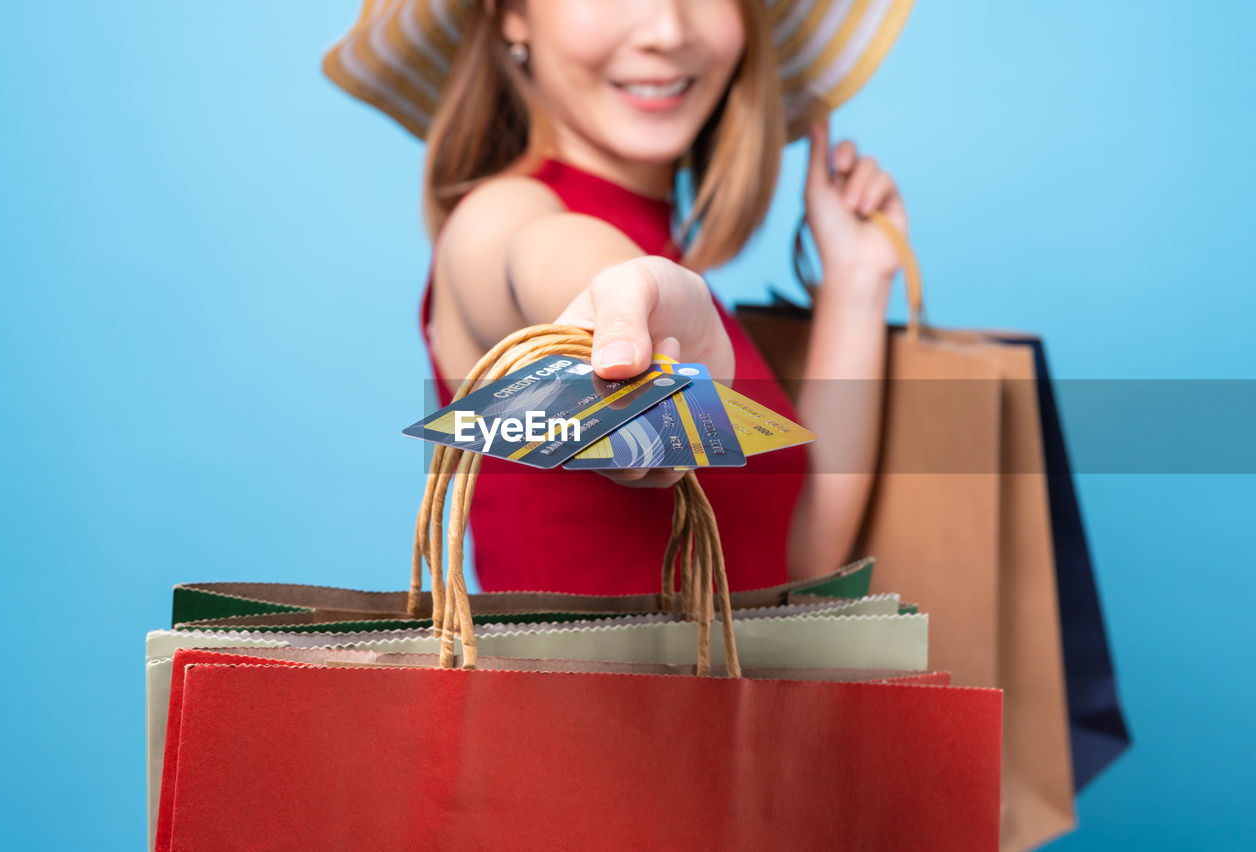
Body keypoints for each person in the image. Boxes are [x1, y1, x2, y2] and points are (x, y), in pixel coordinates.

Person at [324, 0, 913, 592]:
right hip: (567, 688)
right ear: (511, 14)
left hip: (744, 681)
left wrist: (857, 283)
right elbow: (540, 253)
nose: (667, 29)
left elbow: (797, 570)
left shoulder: (682, 282)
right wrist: (625, 292)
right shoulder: (499, 217)